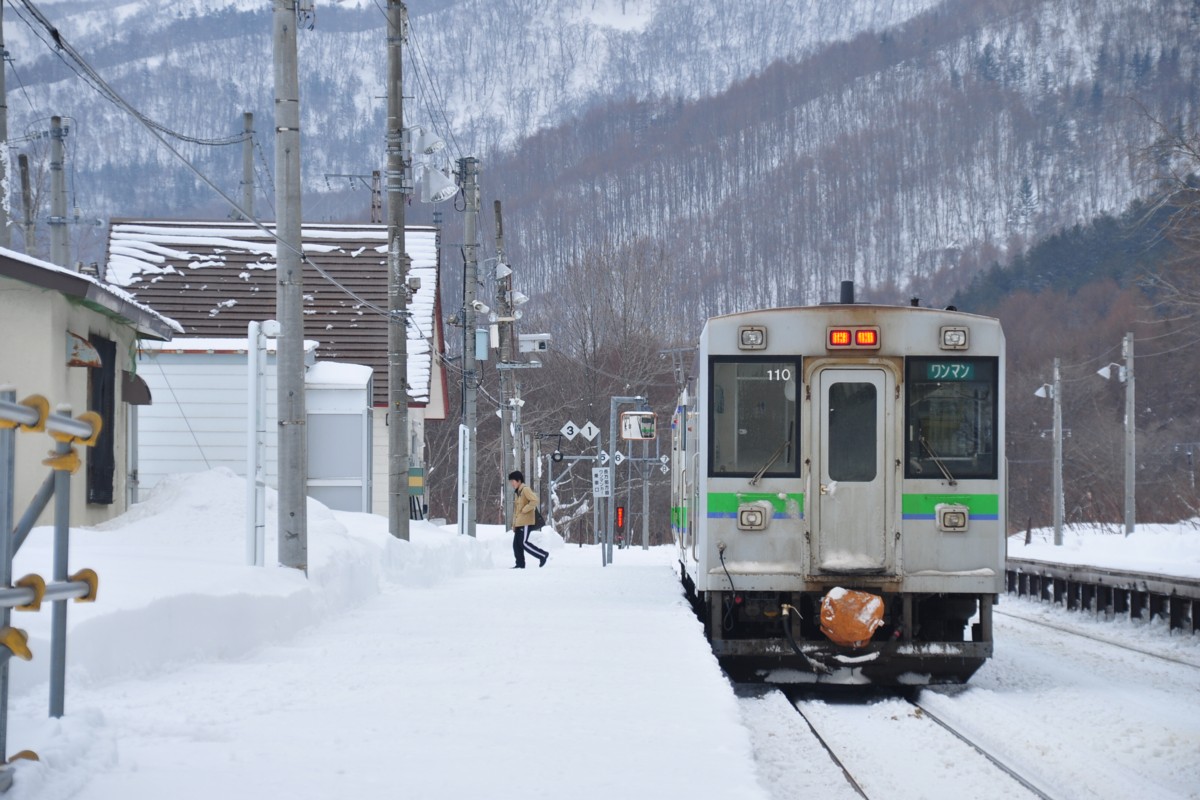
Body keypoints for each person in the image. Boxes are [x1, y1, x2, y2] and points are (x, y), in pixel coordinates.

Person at [509, 470, 548, 568]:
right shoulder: (518, 492)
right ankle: (520, 564)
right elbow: (516, 511)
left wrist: (525, 509)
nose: (512, 484)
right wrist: (514, 525)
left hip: (526, 522)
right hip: (519, 523)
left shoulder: (525, 489)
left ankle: (542, 555)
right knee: (516, 545)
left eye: (512, 481)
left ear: (518, 480)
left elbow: (535, 500)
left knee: (523, 543)